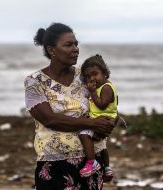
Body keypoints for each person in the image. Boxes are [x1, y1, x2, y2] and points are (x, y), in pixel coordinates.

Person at [24, 23, 115, 190]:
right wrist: (92, 124)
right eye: (68, 45)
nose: (75, 49)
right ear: (52, 50)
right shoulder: (35, 82)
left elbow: (107, 103)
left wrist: (108, 123)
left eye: (76, 44)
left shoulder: (86, 76)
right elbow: (49, 119)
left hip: (92, 162)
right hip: (54, 164)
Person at [79, 54, 127, 182]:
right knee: (101, 145)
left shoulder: (106, 88)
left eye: (95, 74)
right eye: (88, 76)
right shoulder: (101, 86)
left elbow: (101, 105)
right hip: (102, 118)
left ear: (105, 73)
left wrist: (93, 92)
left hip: (104, 119)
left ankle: (92, 162)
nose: (92, 78)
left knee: (84, 134)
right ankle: (107, 168)